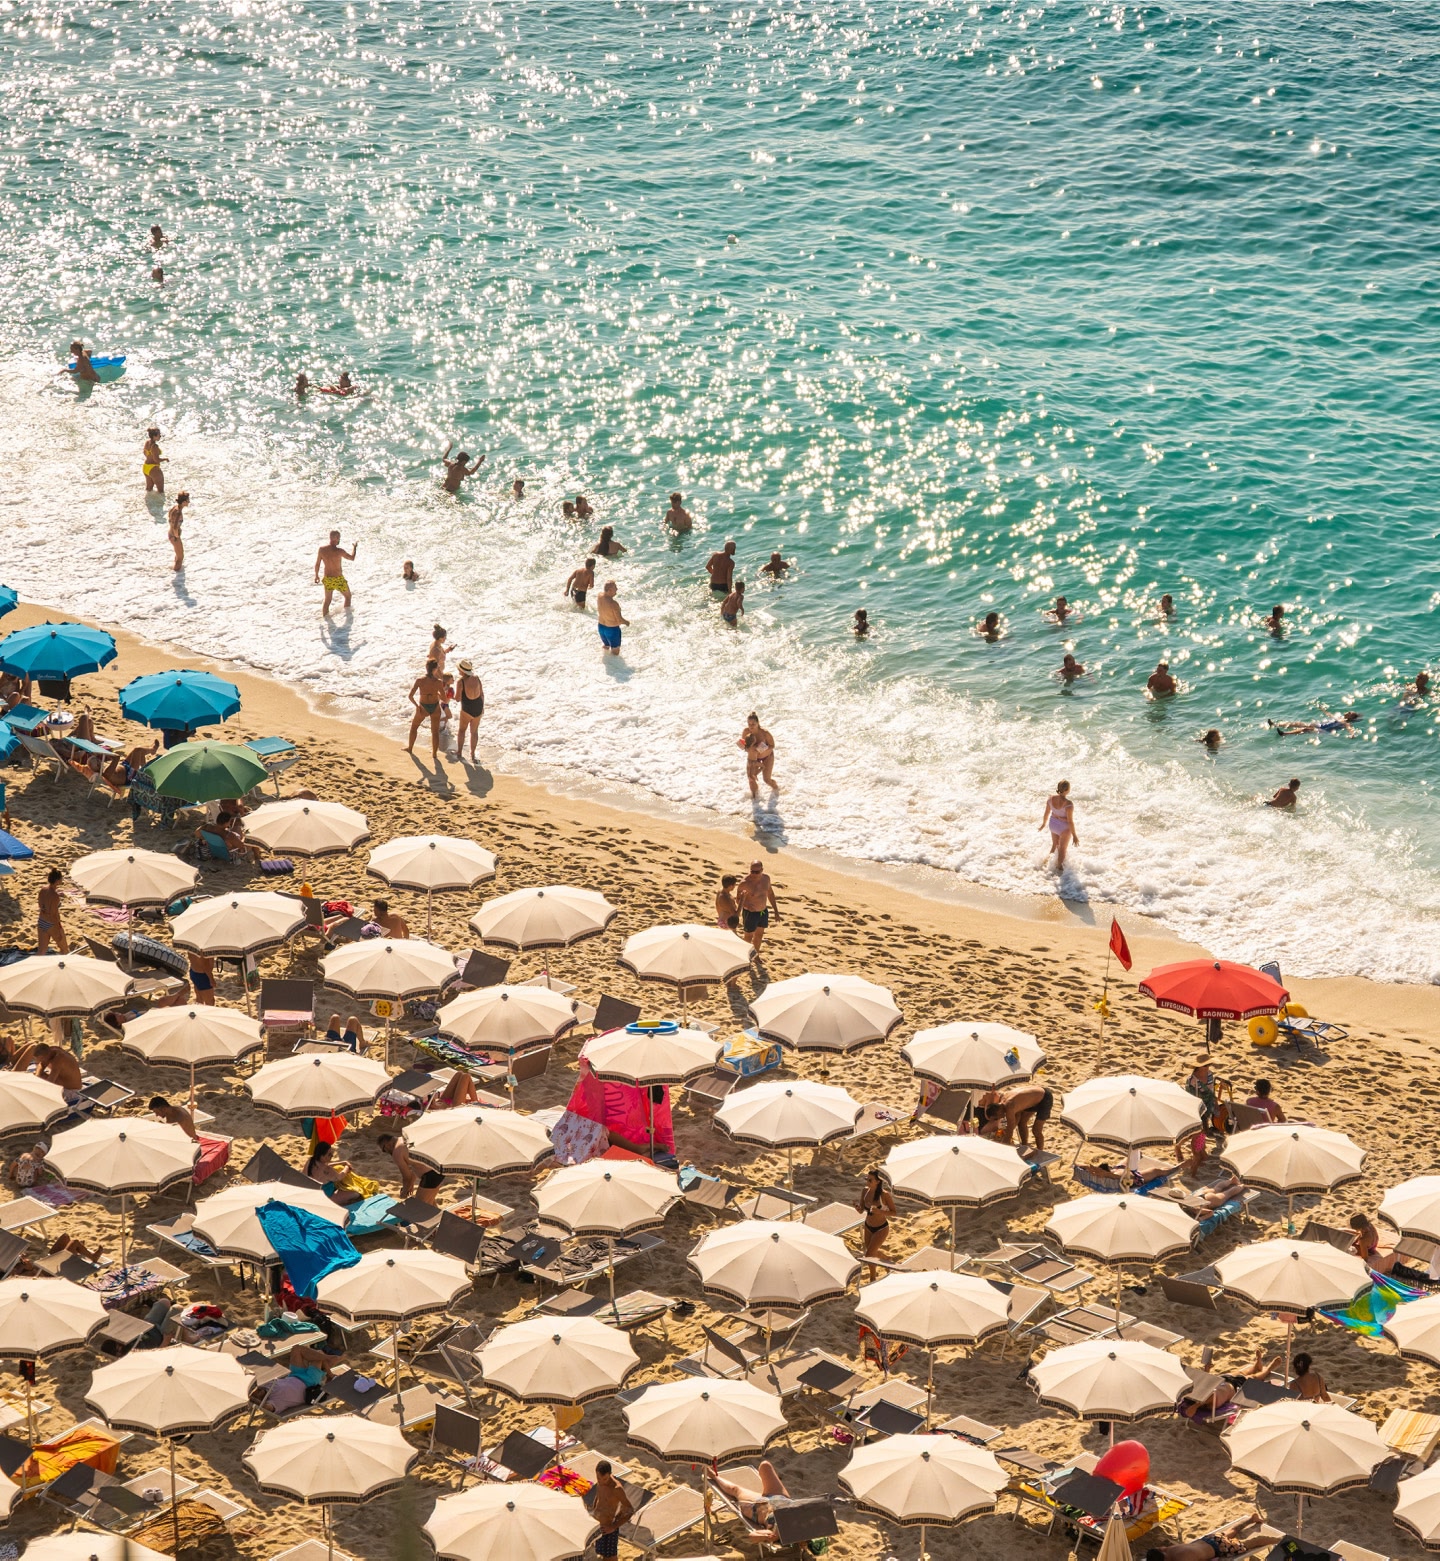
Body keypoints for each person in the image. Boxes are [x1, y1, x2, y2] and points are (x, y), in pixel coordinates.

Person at [704, 1464, 792, 1544]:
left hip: (757, 1506)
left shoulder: (775, 1533)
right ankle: (766, 1493)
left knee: (735, 1490)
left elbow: (752, 1536)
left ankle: (714, 1476)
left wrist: (763, 1536)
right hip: (780, 1497)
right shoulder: (801, 1521)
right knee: (765, 1465)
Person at [1143, 1516, 1269, 1560]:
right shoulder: (1167, 1549)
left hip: (1219, 1547)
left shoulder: (1181, 1559)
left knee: (1247, 1545)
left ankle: (1277, 1539)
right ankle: (1252, 1519)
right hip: (1209, 1539)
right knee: (1231, 1532)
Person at [978, 1083, 1053, 1151]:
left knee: (1036, 1130)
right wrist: (1004, 1134)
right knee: (1021, 1123)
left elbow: (1010, 1129)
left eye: (996, 1118)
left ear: (998, 1112)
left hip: (1044, 1098)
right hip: (1033, 1098)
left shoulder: (1009, 1106)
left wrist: (1003, 1148)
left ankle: (1040, 1152)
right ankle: (1024, 1146)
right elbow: (1016, 1119)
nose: (999, 1119)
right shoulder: (1003, 1099)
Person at [376, 1133, 443, 1204]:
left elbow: (406, 1177)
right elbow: (416, 1165)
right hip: (438, 1167)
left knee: (420, 1205)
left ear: (386, 1145)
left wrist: (404, 1192)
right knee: (430, 1202)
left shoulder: (396, 1153)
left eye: (384, 1150)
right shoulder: (405, 1139)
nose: (386, 1152)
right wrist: (410, 1184)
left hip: (430, 1175)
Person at [856, 1167, 896, 1281]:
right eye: (866, 1179)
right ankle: (887, 1259)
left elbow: (894, 1212)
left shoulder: (884, 1195)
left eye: (870, 1180)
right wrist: (858, 1208)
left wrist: (880, 1211)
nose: (867, 1182)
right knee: (872, 1252)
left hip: (881, 1228)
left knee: (869, 1255)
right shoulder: (865, 1191)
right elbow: (862, 1210)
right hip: (868, 1226)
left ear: (878, 1182)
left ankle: (873, 1278)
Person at [591, 1461, 634, 1560]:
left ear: (610, 1474)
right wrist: (593, 1512)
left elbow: (630, 1510)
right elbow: (598, 1497)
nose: (601, 1481)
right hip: (597, 1526)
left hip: (608, 1529)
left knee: (610, 1558)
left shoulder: (616, 1489)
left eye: (604, 1479)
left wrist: (613, 1527)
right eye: (598, 1478)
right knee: (600, 1554)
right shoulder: (600, 1482)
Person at [736, 860, 778, 955]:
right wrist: (747, 905)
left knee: (759, 935)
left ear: (762, 870)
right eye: (752, 871)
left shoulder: (766, 879)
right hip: (750, 913)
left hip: (763, 912)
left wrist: (776, 911)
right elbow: (737, 899)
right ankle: (744, 956)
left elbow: (770, 894)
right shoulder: (745, 883)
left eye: (756, 872)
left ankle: (756, 955)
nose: (754, 874)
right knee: (748, 937)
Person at [406, 660, 445, 758]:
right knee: (435, 732)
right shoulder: (438, 682)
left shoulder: (420, 680)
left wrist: (417, 706)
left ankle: (410, 748)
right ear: (435, 669)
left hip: (423, 706)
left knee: (414, 727)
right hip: (435, 706)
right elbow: (444, 699)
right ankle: (434, 754)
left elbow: (410, 696)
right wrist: (437, 694)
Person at [315, 531, 356, 616]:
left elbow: (317, 563)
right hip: (338, 579)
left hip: (328, 579)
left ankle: (326, 620)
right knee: (348, 597)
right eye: (339, 537)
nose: (339, 539)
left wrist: (316, 575)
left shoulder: (322, 550)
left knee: (327, 600)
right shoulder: (339, 551)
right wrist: (355, 548)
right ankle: (347, 617)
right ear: (336, 538)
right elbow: (352, 558)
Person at [1039, 780, 1077, 870]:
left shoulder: (1050, 799)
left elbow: (1046, 813)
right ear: (1067, 790)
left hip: (1053, 824)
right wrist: (1075, 835)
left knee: (1055, 845)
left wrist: (1043, 824)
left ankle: (1047, 863)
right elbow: (1070, 821)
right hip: (1064, 828)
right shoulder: (1069, 804)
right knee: (1062, 849)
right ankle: (1059, 869)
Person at [738, 713, 777, 798]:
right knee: (751, 779)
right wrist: (742, 746)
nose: (751, 726)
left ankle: (777, 790)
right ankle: (755, 799)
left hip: (767, 757)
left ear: (758, 723)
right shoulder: (746, 732)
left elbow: (772, 745)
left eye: (753, 724)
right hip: (753, 759)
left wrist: (762, 749)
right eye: (749, 724)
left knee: (767, 780)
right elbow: (745, 746)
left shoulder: (765, 733)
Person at [453, 660, 485, 762]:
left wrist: (449, 695)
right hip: (478, 706)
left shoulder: (460, 682)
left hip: (467, 708)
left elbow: (458, 698)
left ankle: (459, 752)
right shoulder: (476, 678)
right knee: (474, 732)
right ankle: (472, 754)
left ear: (462, 671)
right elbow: (482, 694)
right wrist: (482, 707)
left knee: (462, 730)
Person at [37, 869, 67, 954]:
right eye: (61, 878)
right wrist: (59, 927)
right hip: (51, 923)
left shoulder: (43, 889)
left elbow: (40, 905)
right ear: (57, 881)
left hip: (41, 921)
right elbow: (53, 914)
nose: (62, 880)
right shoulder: (55, 896)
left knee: (41, 951)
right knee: (64, 949)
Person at [596, 581, 629, 655]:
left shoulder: (599, 596)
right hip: (612, 629)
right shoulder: (613, 604)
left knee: (606, 646)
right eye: (615, 588)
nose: (617, 589)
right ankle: (615, 665)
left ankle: (606, 663)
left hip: (601, 627)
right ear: (610, 590)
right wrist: (627, 622)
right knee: (615, 651)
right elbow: (620, 620)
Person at [167, 492, 190, 571]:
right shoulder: (178, 512)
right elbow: (175, 527)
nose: (189, 502)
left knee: (178, 555)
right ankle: (176, 573)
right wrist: (177, 536)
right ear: (184, 502)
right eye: (188, 500)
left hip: (170, 534)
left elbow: (169, 516)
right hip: (174, 536)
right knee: (180, 557)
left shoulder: (174, 508)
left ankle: (176, 572)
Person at [142, 428, 166, 493]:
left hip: (146, 467)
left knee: (149, 490)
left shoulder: (147, 442)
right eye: (159, 435)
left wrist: (150, 457)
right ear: (154, 436)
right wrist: (165, 459)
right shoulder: (154, 446)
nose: (160, 436)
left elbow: (144, 452)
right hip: (153, 469)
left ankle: (148, 502)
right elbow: (156, 460)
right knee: (161, 491)